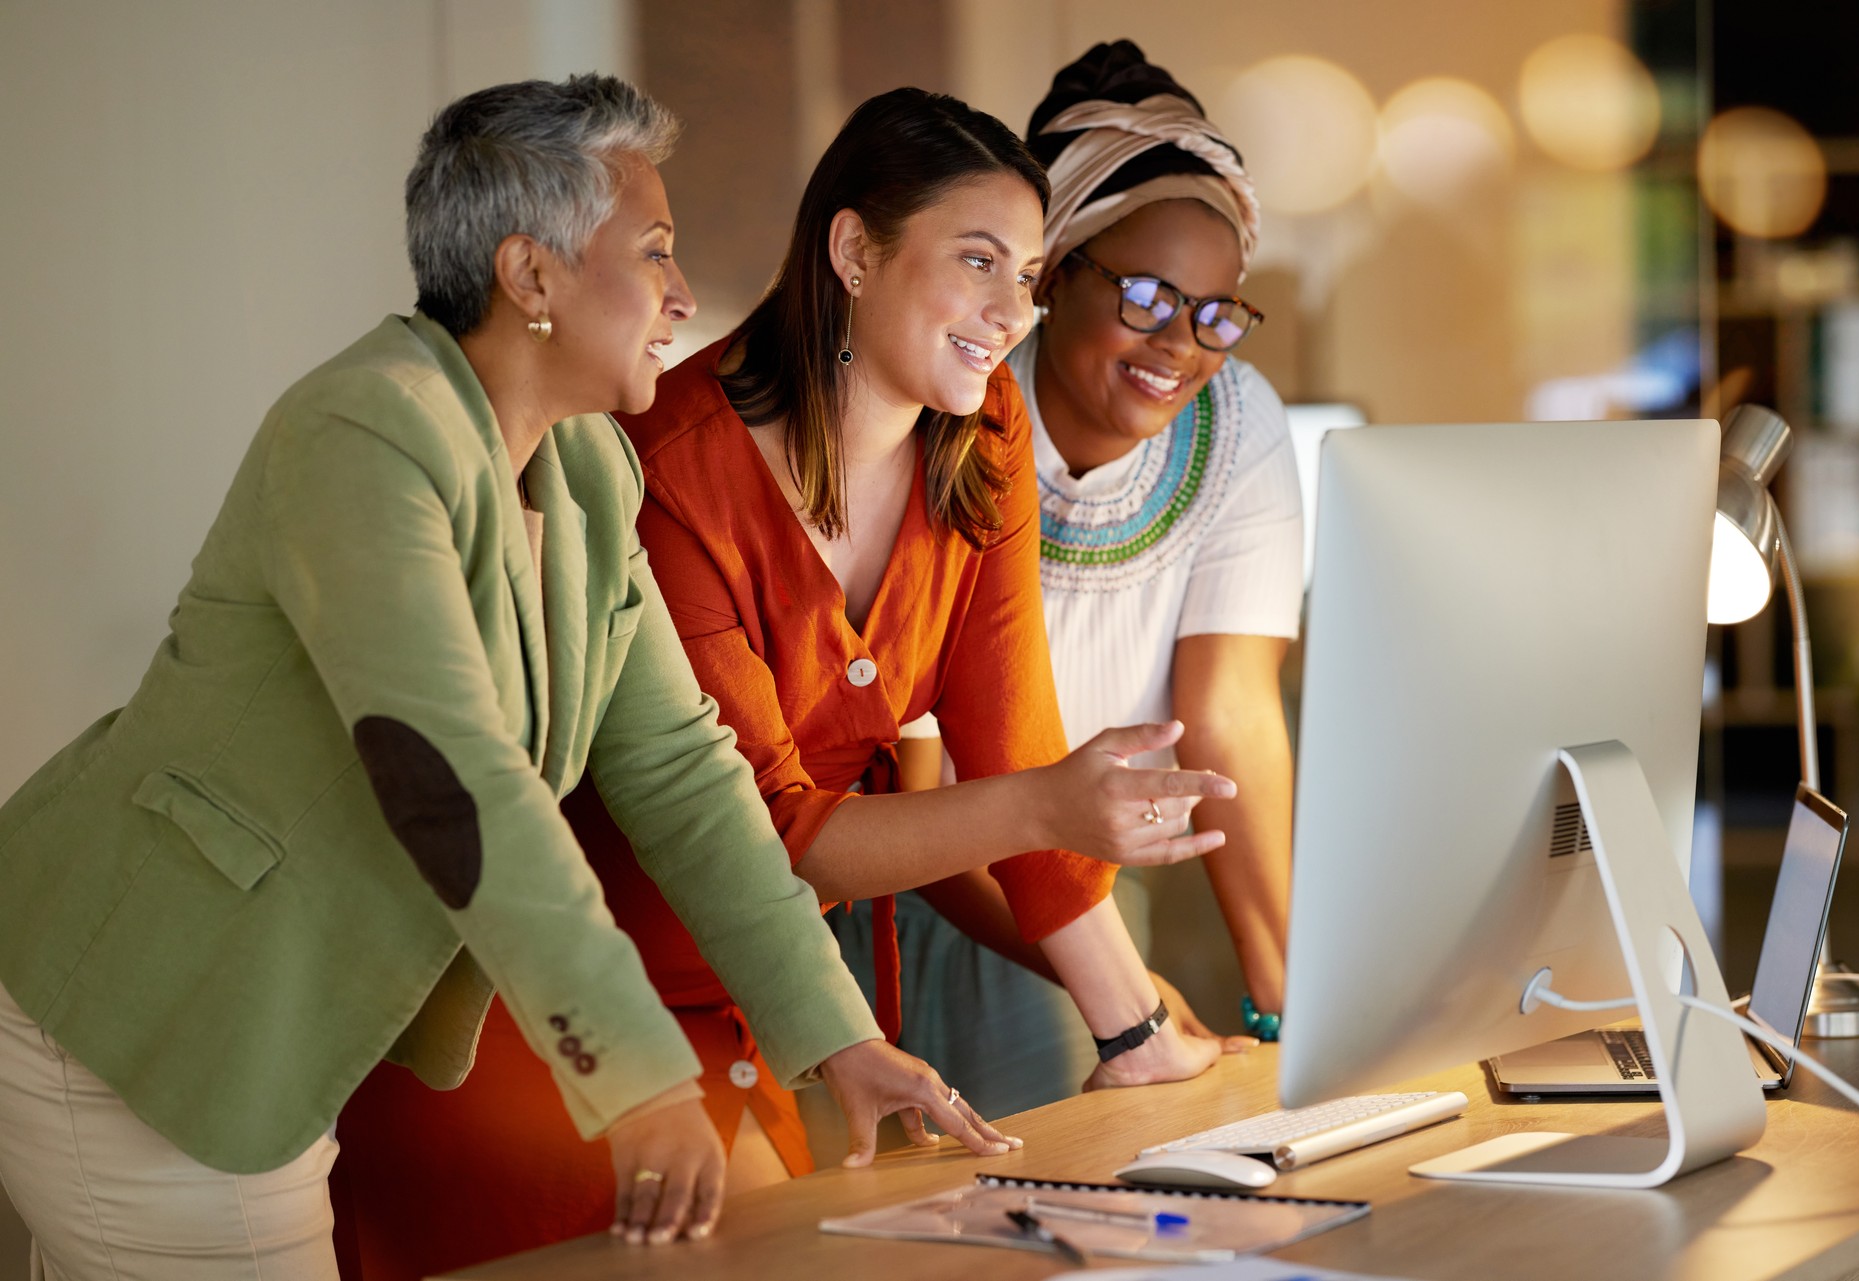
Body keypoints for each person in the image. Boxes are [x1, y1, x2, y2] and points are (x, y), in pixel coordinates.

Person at [0, 75, 1007, 1281]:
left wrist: (835, 1034)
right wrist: (634, 1081)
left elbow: (685, 775)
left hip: (263, 1032)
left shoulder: (588, 472)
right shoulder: (363, 431)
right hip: (135, 1007)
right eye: (654, 252)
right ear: (531, 279)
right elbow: (454, 775)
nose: (684, 297)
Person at [839, 41, 1305, 1119]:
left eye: (1217, 313)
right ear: (1051, 276)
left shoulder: (1238, 428)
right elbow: (926, 790)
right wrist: (1124, 999)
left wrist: (1287, 991)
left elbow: (1230, 714)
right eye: (1145, 296)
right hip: (912, 881)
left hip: (1080, 888)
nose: (1182, 345)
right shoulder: (952, 407)